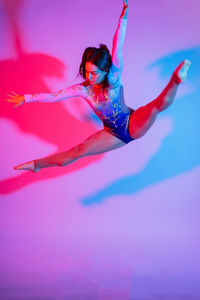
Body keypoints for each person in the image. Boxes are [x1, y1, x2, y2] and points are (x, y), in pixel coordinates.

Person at [7, 0, 191, 173]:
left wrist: (123, 17)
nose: (89, 76)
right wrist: (26, 98)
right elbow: (53, 96)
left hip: (132, 123)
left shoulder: (114, 78)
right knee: (74, 153)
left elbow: (117, 45)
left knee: (155, 107)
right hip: (112, 134)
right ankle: (36, 165)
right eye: (87, 71)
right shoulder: (83, 90)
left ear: (105, 71)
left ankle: (175, 79)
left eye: (94, 73)